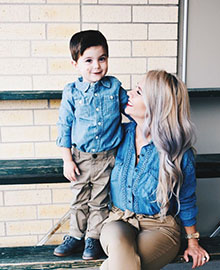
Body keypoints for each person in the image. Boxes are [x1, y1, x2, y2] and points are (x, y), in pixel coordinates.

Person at [99, 70, 210, 270]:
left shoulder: (179, 154)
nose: (129, 94)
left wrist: (193, 242)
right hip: (119, 220)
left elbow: (186, 199)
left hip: (161, 227)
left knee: (122, 264)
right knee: (119, 248)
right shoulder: (119, 136)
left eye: (139, 92)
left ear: (156, 105)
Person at [54, 30, 128, 260]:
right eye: (88, 60)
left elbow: (133, 109)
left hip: (108, 158)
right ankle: (76, 236)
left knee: (99, 202)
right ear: (75, 64)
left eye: (102, 58)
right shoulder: (72, 92)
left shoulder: (114, 87)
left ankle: (92, 239)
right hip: (80, 158)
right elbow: (64, 126)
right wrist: (67, 160)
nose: (96, 66)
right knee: (79, 199)